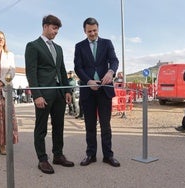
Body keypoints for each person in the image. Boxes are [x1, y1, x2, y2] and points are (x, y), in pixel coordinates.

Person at [25, 15, 74, 174]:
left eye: (57, 30)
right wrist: (36, 95)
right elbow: (31, 73)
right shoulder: (33, 46)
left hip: (59, 93)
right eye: (54, 28)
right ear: (45, 26)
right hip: (43, 94)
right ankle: (42, 159)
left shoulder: (58, 48)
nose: (55, 32)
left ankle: (58, 155)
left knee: (59, 125)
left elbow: (61, 70)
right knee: (41, 128)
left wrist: (67, 90)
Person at [74, 17, 120, 167]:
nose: (92, 33)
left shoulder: (107, 43)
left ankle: (108, 155)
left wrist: (111, 72)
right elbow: (78, 68)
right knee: (90, 125)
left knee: (106, 125)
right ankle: (91, 155)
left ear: (98, 29)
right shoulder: (79, 46)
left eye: (94, 30)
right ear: (84, 31)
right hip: (88, 90)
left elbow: (114, 60)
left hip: (104, 89)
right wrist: (88, 81)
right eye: (89, 31)